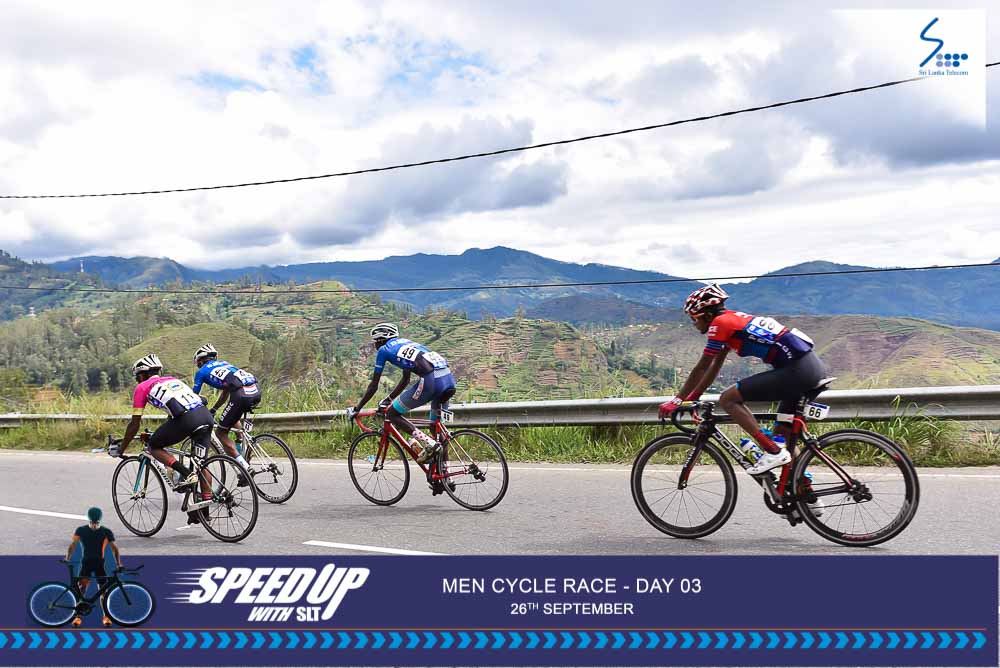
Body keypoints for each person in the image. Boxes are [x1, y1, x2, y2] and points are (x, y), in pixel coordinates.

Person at [659, 284, 829, 476]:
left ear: (707, 315)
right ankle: (803, 490)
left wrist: (677, 400)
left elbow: (702, 367)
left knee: (728, 398)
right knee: (783, 435)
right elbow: (715, 366)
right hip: (807, 367)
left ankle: (772, 452)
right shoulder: (732, 319)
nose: (694, 324)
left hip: (798, 370)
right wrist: (693, 397)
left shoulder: (720, 323)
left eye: (694, 318)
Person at [116, 354, 214, 525]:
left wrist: (122, 448)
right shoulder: (173, 380)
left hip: (187, 420)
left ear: (142, 375)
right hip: (205, 416)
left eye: (137, 377)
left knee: (153, 446)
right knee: (201, 464)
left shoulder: (142, 387)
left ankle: (186, 473)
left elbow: (134, 424)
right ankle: (204, 510)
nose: (137, 380)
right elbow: (177, 411)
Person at [348, 323, 456, 464]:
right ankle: (445, 472)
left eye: (375, 342)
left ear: (380, 340)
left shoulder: (384, 350)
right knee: (436, 428)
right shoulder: (406, 344)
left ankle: (429, 443)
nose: (375, 346)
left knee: (392, 414)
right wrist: (389, 399)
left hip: (432, 381)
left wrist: (357, 409)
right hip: (448, 379)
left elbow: (373, 385)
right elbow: (405, 380)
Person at [191, 343, 260, 485]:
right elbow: (225, 393)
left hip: (241, 395)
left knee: (220, 433)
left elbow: (193, 397)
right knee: (231, 416)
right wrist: (214, 409)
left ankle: (245, 467)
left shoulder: (201, 372)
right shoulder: (225, 364)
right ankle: (241, 444)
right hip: (255, 390)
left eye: (198, 363)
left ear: (200, 361)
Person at [65, 507, 120, 627]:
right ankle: (77, 617)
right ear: (89, 521)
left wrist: (118, 564)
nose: (94, 525)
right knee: (81, 590)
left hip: (100, 565)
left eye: (97, 523)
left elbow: (114, 549)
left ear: (100, 521)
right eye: (92, 523)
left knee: (103, 592)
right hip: (86, 564)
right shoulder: (81, 530)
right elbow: (73, 545)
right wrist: (67, 558)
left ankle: (106, 616)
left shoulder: (106, 531)